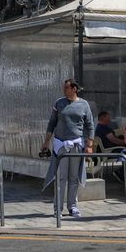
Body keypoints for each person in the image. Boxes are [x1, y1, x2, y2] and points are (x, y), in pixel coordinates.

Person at [40, 78, 94, 219]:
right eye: (64, 88)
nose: (64, 90)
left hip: (76, 143)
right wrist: (46, 142)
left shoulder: (84, 104)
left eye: (67, 88)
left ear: (74, 89)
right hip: (61, 143)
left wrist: (89, 144)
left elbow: (90, 125)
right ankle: (58, 208)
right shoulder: (59, 103)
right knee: (61, 177)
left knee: (73, 177)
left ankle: (73, 206)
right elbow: (52, 123)